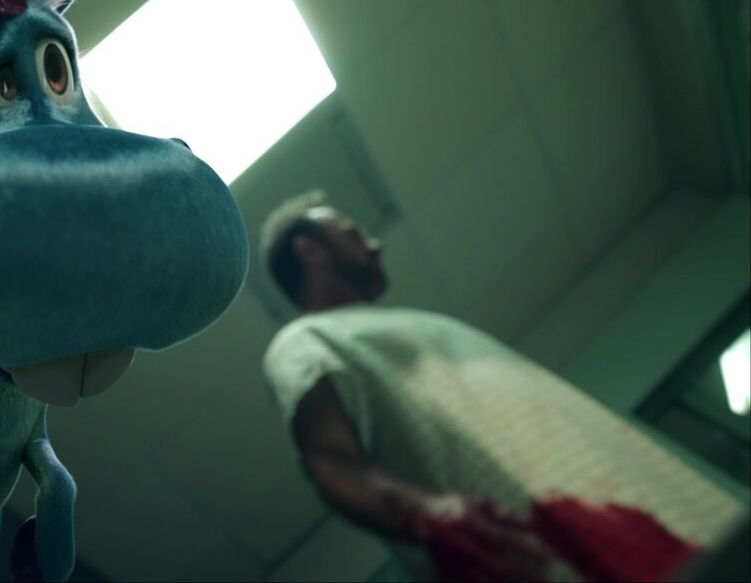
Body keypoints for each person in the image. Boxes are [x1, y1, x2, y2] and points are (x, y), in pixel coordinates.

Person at [260, 190, 746, 582]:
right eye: (352, 232)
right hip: (546, 545)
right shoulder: (303, 340)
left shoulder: (408, 324)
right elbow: (330, 462)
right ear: (309, 249)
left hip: (641, 511)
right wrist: (428, 515)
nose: (375, 245)